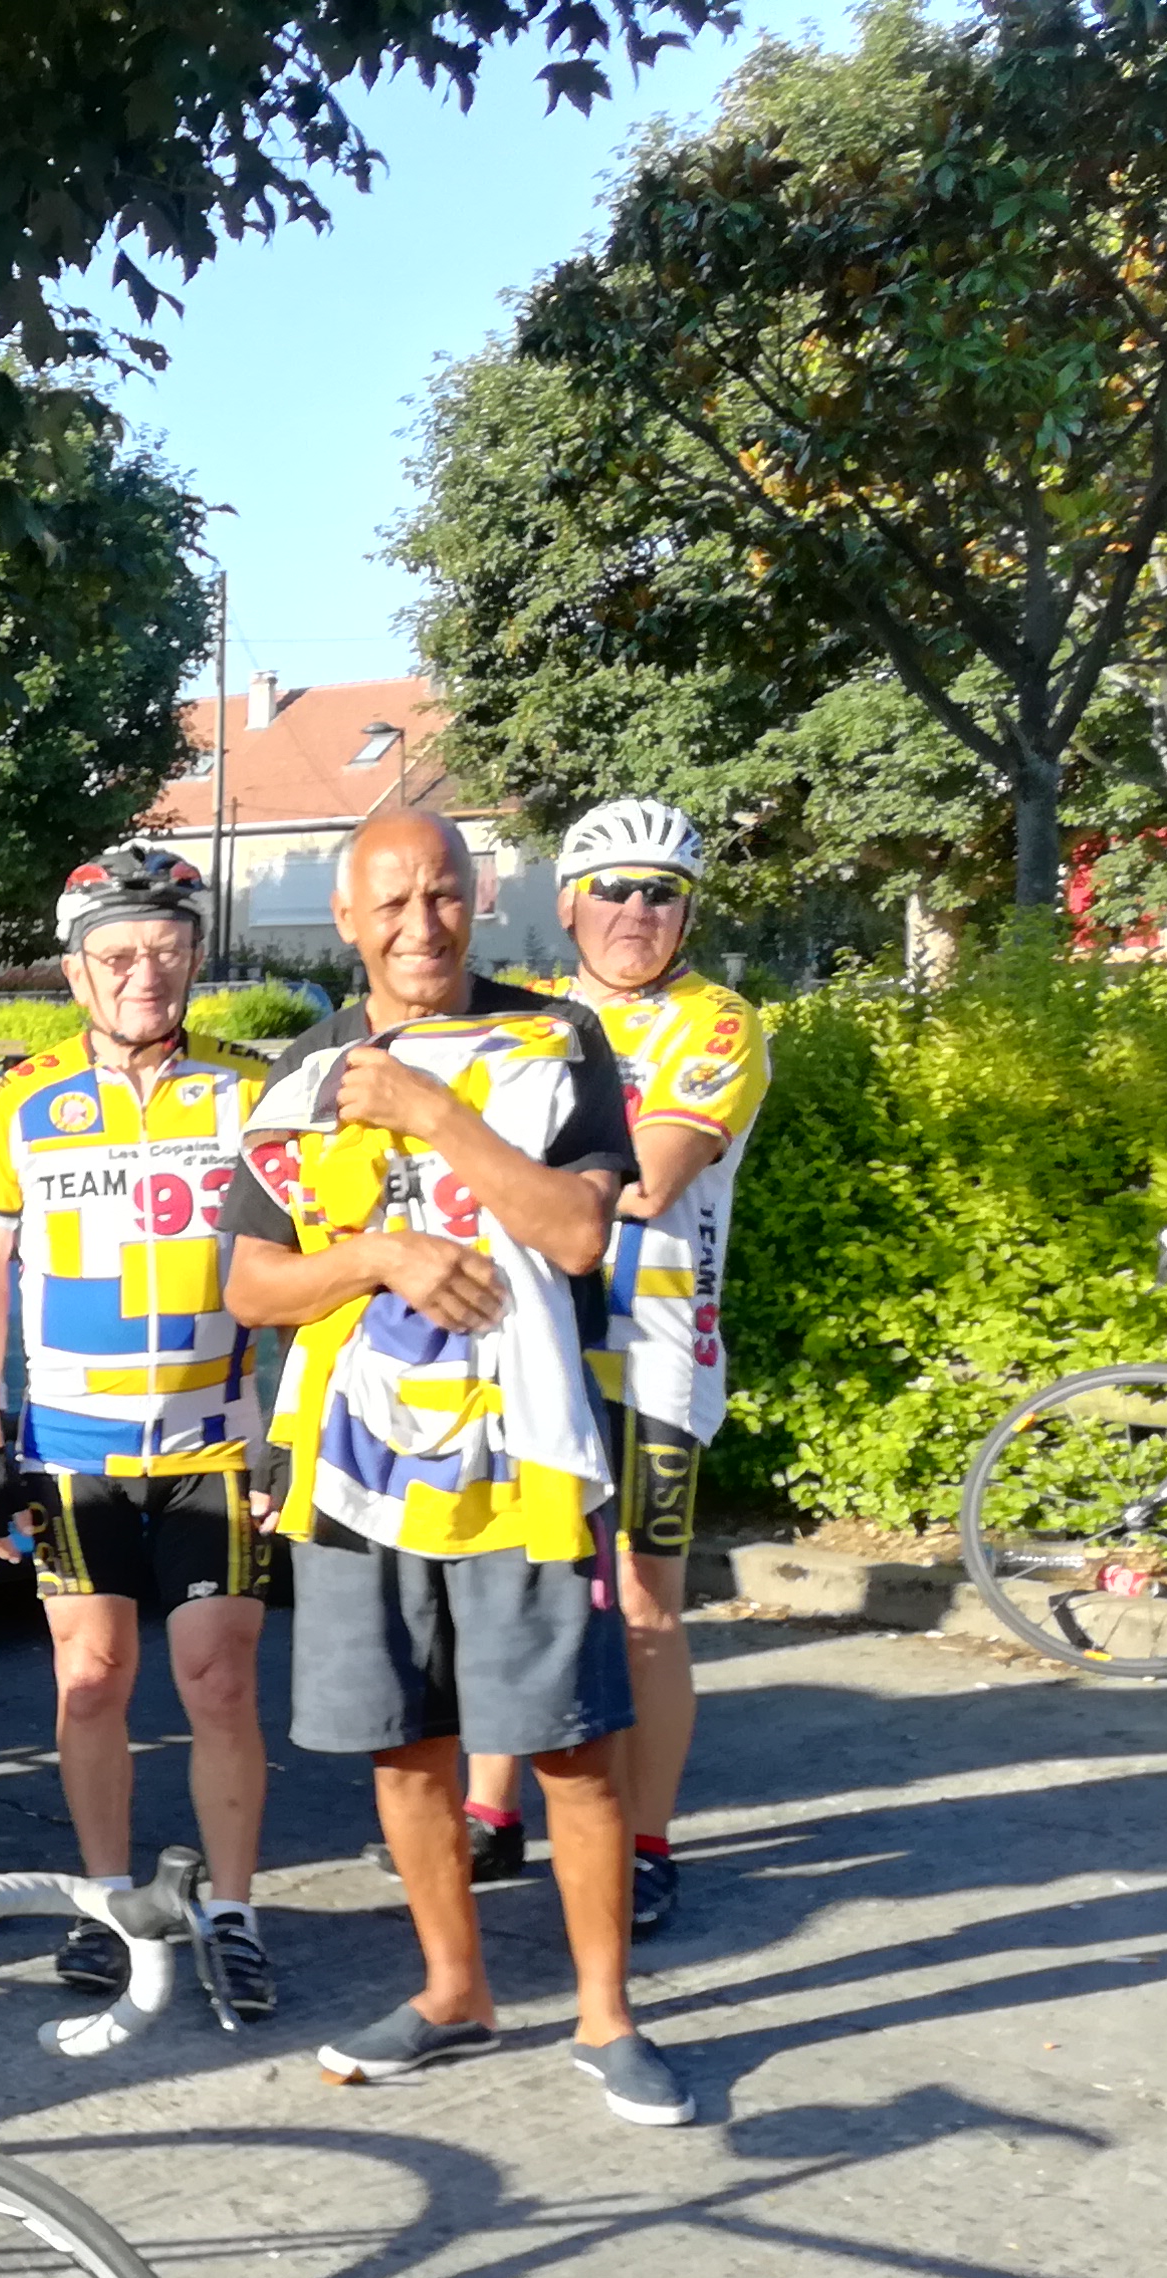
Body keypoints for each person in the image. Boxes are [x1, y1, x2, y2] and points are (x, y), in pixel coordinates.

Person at [222, 809, 695, 2129]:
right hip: (356, 1468)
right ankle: (452, 1990)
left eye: (439, 895)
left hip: (524, 1458)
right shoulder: (303, 1071)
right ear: (345, 919)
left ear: (476, 898)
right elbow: (250, 1286)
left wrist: (430, 1111)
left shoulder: (553, 1040)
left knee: (568, 1748)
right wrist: (376, 1258)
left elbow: (578, 1232)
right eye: (388, 903)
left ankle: (607, 2019)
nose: (416, 925)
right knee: (403, 1746)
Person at [433, 798, 766, 1940]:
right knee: (504, 1573)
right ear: (568, 904)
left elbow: (647, 1180)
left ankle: (644, 1842)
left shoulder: (716, 1022)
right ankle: (489, 1809)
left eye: (661, 893)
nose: (636, 912)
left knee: (641, 1608)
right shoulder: (522, 1017)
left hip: (653, 1355)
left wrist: (492, 1158)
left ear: (687, 913)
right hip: (527, 1338)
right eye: (613, 890)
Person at [0, 848, 277, 2013]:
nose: (145, 973)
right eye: (119, 953)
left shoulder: (252, 1090)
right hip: (72, 1450)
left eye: (167, 949)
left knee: (216, 1681)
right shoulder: (23, 1102)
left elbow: (307, 1260)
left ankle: (230, 1914)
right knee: (88, 1681)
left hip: (212, 1443)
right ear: (75, 969)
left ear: (196, 956)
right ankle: (103, 1904)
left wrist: (289, 1428)